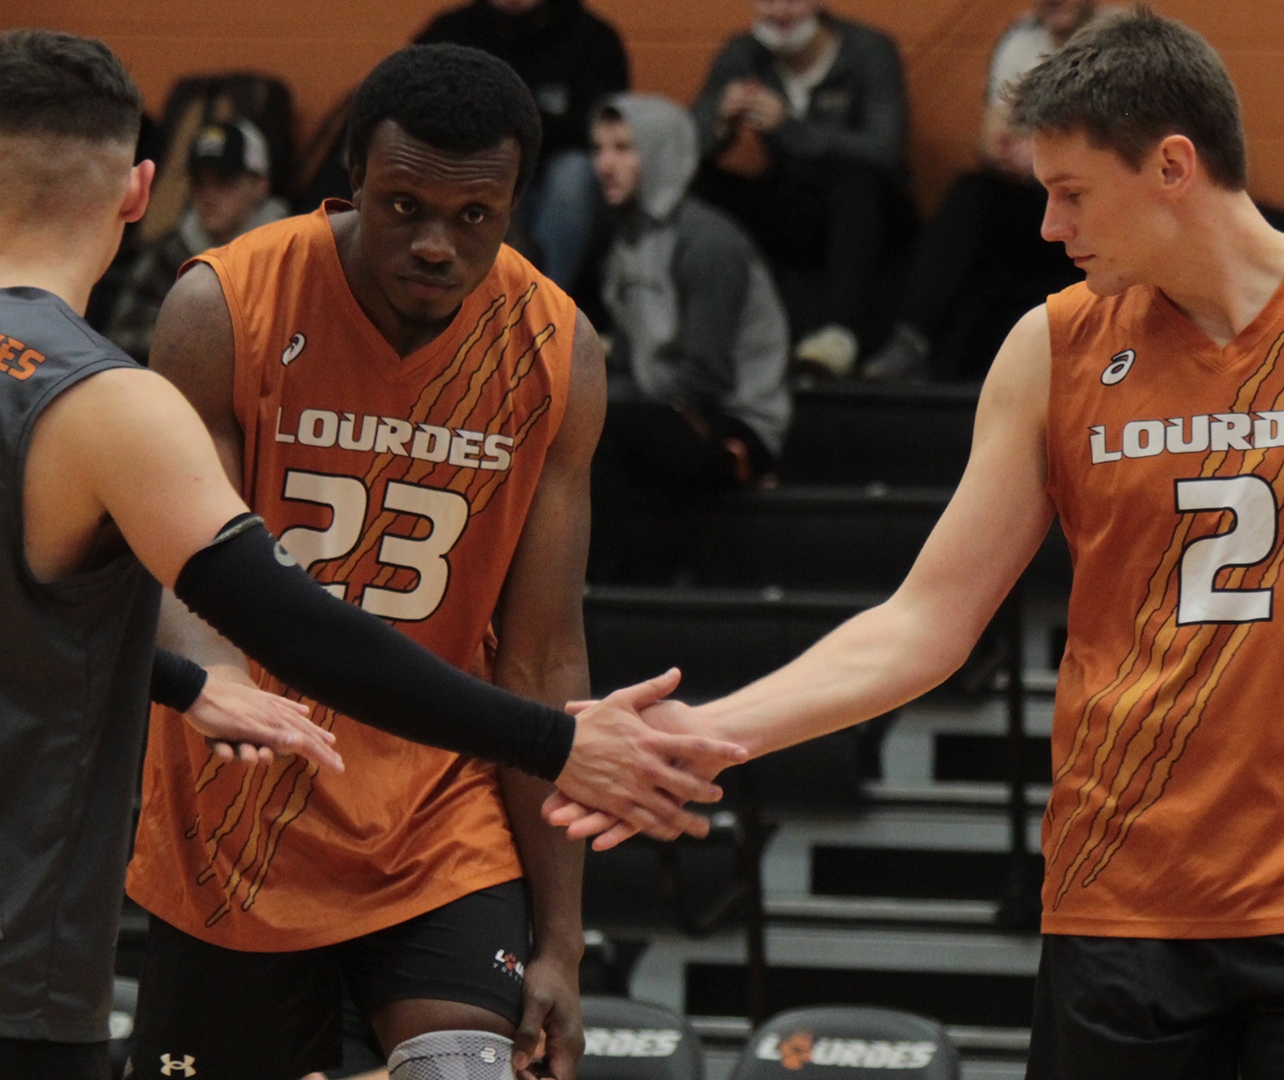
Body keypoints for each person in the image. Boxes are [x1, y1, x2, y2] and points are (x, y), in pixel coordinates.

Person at [552, 11, 1284, 1078]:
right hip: (1120, 912)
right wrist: (708, 731)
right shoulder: (1051, 349)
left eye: (1071, 193)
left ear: (1171, 166)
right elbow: (925, 621)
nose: (1050, 228)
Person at [0, 29, 743, 1080]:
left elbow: (541, 648)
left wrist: (564, 943)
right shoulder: (223, 304)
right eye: (405, 207)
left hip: (441, 816)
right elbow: (197, 575)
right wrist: (210, 675)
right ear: (350, 184)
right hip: (244, 815)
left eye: (475, 216)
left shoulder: (555, 348)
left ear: (516, 205)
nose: (438, 243)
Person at [863, 0, 1097, 381]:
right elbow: (990, 137)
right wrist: (1000, 149)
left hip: (1094, 210)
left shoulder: (1124, 45)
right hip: (1033, 200)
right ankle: (912, 339)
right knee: (971, 193)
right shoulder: (1021, 42)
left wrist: (1044, 155)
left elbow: (1129, 153)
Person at [689, 0, 911, 377]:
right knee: (697, 184)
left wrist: (788, 127)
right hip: (792, 205)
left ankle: (839, 335)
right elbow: (683, 145)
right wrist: (719, 125)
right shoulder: (743, 52)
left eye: (790, 1)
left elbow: (884, 150)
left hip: (867, 209)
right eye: (767, 1)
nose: (778, 13)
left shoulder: (868, 49)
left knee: (853, 178)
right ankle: (692, 332)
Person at [586, 94, 789, 490]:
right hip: (661, 410)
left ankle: (740, 469)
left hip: (736, 422)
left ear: (661, 153)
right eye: (598, 149)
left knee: (609, 435)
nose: (604, 166)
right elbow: (629, 363)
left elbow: (708, 376)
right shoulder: (626, 242)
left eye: (624, 149)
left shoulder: (707, 242)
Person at [415, 0, 630, 293]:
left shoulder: (593, 39)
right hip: (475, 172)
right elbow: (413, 111)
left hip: (557, 191)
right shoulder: (450, 33)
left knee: (574, 173)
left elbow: (602, 131)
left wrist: (506, 122)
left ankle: (539, 304)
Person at [106, 118, 288, 361]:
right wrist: (205, 344)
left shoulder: (293, 252)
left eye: (224, 181)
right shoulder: (167, 253)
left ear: (260, 185)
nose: (209, 196)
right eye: (199, 183)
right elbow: (121, 338)